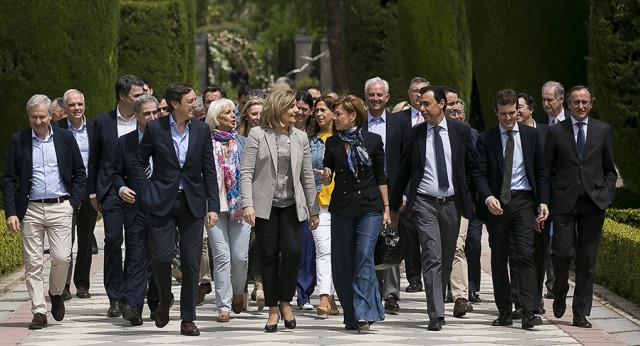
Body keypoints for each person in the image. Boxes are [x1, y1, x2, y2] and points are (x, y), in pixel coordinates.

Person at [133, 83, 220, 336]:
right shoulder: (155, 128)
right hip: (162, 201)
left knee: (192, 262)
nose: (196, 104)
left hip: (192, 202)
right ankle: (163, 301)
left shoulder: (202, 130)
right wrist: (147, 189)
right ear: (175, 104)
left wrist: (212, 206)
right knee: (161, 257)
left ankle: (188, 318)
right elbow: (138, 162)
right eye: (191, 100)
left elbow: (209, 170)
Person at [390, 85, 475, 330]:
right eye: (420, 104)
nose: (422, 108)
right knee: (432, 256)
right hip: (425, 203)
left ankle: (440, 298)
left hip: (452, 204)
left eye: (427, 104)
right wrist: (394, 207)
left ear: (441, 104)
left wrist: (473, 199)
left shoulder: (461, 131)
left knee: (447, 259)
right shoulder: (415, 134)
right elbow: (403, 172)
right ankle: (436, 313)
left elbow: (471, 168)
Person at [240, 88, 320, 333]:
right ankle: (274, 309)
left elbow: (307, 175)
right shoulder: (257, 135)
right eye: (291, 107)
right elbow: (246, 172)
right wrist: (248, 204)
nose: (296, 111)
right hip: (266, 207)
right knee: (269, 255)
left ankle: (287, 301)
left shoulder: (300, 136)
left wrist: (313, 209)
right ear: (278, 109)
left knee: (293, 252)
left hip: (291, 206)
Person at [3, 94, 85, 329]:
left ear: (51, 115)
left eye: (42, 116)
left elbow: (80, 173)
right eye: (33, 117)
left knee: (62, 257)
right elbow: (9, 179)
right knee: (33, 263)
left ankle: (56, 292)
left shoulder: (65, 137)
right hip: (30, 209)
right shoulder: (19, 140)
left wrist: (73, 203)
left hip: (61, 206)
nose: (38, 121)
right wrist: (11, 211)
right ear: (28, 116)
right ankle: (39, 311)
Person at [473, 89, 548, 330]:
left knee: (525, 254)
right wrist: (487, 198)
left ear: (518, 110)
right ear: (496, 112)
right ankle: (504, 310)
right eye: (503, 114)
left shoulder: (531, 136)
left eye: (512, 113)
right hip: (498, 203)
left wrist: (543, 202)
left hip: (524, 201)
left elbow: (541, 172)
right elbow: (479, 174)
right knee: (499, 257)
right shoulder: (486, 139)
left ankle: (528, 310)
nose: (508, 118)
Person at [546, 86, 617, 328]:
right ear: (568, 104)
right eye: (576, 102)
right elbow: (547, 170)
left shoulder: (602, 130)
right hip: (564, 202)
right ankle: (560, 289)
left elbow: (609, 169)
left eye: (585, 102)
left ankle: (580, 312)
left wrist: (607, 195)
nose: (580, 106)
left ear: (591, 104)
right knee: (563, 253)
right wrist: (546, 201)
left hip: (593, 202)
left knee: (587, 260)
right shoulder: (556, 132)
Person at [322, 95, 389, 331]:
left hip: (370, 207)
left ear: (353, 115)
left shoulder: (373, 140)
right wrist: (326, 175)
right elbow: (329, 168)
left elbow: (381, 177)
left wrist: (387, 209)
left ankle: (363, 313)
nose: (334, 117)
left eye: (338, 113)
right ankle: (351, 315)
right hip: (342, 208)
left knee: (363, 255)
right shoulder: (332, 142)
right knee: (342, 262)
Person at [88, 74, 145, 317]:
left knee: (136, 242)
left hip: (139, 191)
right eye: (137, 95)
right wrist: (93, 192)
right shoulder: (102, 121)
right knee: (112, 239)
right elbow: (95, 160)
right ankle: (114, 296)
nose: (142, 99)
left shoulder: (147, 120)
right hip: (111, 189)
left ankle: (131, 294)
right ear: (122, 96)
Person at [112, 94, 160, 326]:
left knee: (160, 258)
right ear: (137, 116)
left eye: (155, 113)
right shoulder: (125, 142)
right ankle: (132, 305)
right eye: (147, 114)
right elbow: (115, 173)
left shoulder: (167, 140)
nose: (152, 117)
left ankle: (158, 301)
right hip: (136, 208)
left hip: (162, 208)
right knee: (137, 257)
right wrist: (121, 189)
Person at [364, 77, 410, 314]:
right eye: (371, 94)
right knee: (368, 242)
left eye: (379, 95)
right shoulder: (358, 122)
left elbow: (406, 161)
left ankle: (391, 294)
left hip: (392, 190)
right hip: (365, 190)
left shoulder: (399, 123)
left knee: (390, 238)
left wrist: (403, 193)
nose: (375, 99)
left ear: (387, 98)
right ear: (366, 97)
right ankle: (371, 290)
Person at [204, 98, 250, 323]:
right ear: (215, 118)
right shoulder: (204, 143)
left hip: (240, 208)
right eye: (227, 113)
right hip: (213, 208)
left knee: (240, 258)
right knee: (221, 257)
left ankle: (239, 291)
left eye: (234, 112)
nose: (233, 116)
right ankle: (223, 305)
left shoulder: (244, 142)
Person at [55, 89, 97, 300]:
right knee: (64, 241)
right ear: (65, 108)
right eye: (71, 105)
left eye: (79, 104)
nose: (76, 108)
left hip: (90, 192)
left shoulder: (94, 127)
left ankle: (82, 284)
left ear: (84, 105)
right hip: (66, 191)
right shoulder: (57, 129)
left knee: (85, 239)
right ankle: (63, 285)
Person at [398, 77, 429, 294]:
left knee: (430, 236)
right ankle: (414, 277)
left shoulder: (437, 119)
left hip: (431, 181)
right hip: (407, 183)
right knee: (409, 234)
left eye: (423, 92)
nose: (419, 96)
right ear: (409, 94)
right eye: (415, 91)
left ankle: (433, 277)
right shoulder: (398, 120)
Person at [309, 96, 339, 316]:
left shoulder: (343, 139)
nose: (319, 114)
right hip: (318, 204)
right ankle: (323, 297)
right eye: (317, 110)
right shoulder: (309, 141)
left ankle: (334, 297)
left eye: (324, 110)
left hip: (343, 203)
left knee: (340, 252)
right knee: (323, 251)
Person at [293, 90, 316, 310]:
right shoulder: (282, 131)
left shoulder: (315, 135)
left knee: (308, 246)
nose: (299, 112)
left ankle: (304, 292)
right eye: (296, 107)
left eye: (304, 109)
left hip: (312, 194)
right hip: (287, 194)